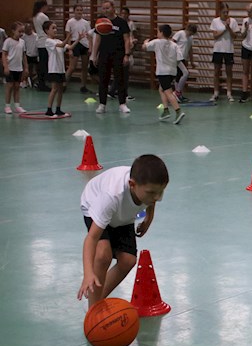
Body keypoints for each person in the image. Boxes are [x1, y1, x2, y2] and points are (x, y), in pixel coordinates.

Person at [78, 154, 169, 307]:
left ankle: (97, 302)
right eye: (152, 193)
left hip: (121, 214)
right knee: (103, 255)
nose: (158, 197)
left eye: (161, 192)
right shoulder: (111, 196)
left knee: (128, 260)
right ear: (132, 185)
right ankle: (93, 310)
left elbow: (152, 200)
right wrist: (88, 274)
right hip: (94, 203)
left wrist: (149, 218)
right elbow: (91, 239)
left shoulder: (147, 189)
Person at [90, 0, 133, 114]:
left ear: (113, 8)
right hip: (104, 54)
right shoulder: (100, 22)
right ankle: (102, 104)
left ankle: (122, 104)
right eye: (103, 8)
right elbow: (97, 39)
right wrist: (94, 55)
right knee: (103, 79)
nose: (105, 10)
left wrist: (127, 55)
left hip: (119, 54)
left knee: (120, 79)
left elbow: (127, 39)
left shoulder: (121, 22)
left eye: (107, 8)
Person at [144, 24, 185, 124]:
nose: (157, 33)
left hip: (163, 72)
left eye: (158, 31)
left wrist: (145, 42)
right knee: (161, 89)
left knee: (168, 92)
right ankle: (166, 111)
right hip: (172, 72)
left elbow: (145, 47)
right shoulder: (174, 45)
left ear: (161, 33)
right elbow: (179, 58)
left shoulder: (157, 42)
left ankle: (178, 111)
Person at [209, 2, 239, 103]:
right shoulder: (215, 21)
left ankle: (229, 93)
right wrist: (224, 30)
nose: (226, 14)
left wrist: (229, 28)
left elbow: (235, 36)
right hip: (218, 50)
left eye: (227, 12)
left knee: (229, 72)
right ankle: (216, 93)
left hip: (228, 50)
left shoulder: (233, 21)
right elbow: (215, 36)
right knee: (216, 72)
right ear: (219, 12)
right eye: (224, 12)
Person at [42, 21, 73, 117]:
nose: (55, 30)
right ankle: (49, 110)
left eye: (56, 28)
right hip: (54, 69)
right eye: (53, 28)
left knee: (60, 90)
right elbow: (62, 45)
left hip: (61, 69)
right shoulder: (48, 41)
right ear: (47, 30)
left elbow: (70, 46)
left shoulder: (58, 40)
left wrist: (78, 39)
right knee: (54, 89)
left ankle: (58, 109)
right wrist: (68, 37)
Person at [64, 5, 91, 94]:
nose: (79, 12)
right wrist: (70, 49)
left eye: (80, 10)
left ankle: (83, 86)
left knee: (84, 67)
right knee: (72, 67)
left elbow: (89, 36)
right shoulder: (70, 22)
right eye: (77, 10)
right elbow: (68, 36)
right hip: (75, 44)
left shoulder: (86, 23)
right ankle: (63, 84)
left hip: (84, 45)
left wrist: (90, 47)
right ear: (74, 11)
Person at [3, 22, 27, 114]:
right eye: (19, 31)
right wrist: (6, 66)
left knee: (17, 87)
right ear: (13, 31)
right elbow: (4, 54)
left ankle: (17, 106)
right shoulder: (8, 41)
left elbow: (24, 55)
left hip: (19, 68)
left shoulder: (22, 42)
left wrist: (26, 67)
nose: (21, 33)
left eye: (22, 32)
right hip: (10, 67)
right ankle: (7, 106)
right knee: (9, 86)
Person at [172, 23, 197, 102]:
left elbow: (190, 49)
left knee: (179, 75)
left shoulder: (190, 37)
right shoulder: (180, 33)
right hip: (177, 57)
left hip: (183, 58)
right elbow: (172, 43)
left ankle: (178, 95)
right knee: (185, 73)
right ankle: (177, 92)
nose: (190, 35)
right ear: (187, 29)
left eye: (192, 34)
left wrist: (192, 61)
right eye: (190, 33)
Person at [32, 0, 51, 91]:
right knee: (44, 64)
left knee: (41, 64)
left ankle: (41, 82)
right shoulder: (43, 17)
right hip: (45, 42)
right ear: (43, 6)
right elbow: (48, 29)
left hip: (39, 42)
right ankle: (42, 83)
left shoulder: (35, 16)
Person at [121, 7, 138, 101]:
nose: (123, 15)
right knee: (123, 73)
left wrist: (133, 46)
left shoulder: (131, 24)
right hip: (121, 49)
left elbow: (134, 35)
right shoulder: (119, 23)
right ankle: (120, 92)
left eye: (125, 13)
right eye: (122, 13)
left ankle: (118, 91)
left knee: (126, 72)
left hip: (129, 48)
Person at [21, 22, 38, 89]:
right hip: (27, 55)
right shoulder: (23, 37)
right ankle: (25, 81)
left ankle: (34, 82)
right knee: (27, 70)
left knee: (35, 70)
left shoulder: (36, 36)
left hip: (35, 55)